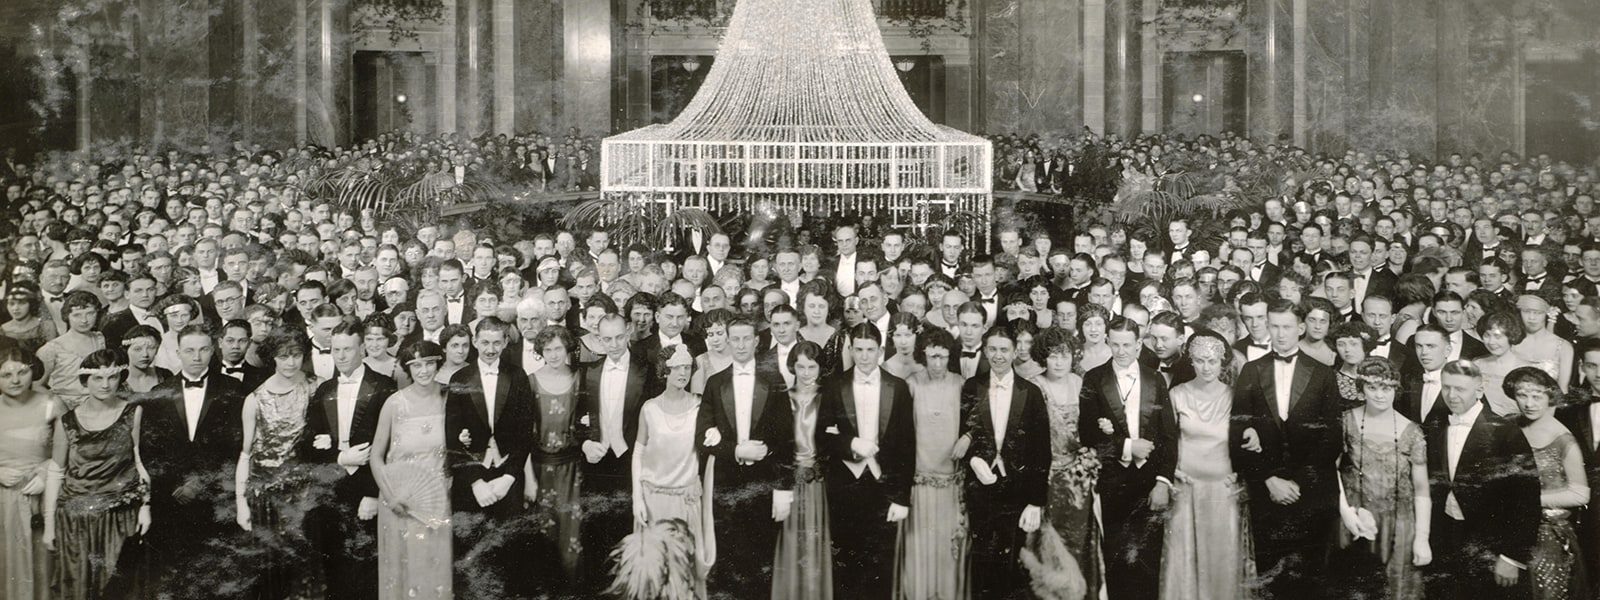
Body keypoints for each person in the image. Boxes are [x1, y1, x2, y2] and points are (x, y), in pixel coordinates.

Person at [1230, 299, 1342, 600]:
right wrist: (1269, 479)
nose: (1280, 334)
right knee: (1271, 578)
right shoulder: (1251, 371)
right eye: (1274, 326)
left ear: (1301, 328)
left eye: (1287, 327)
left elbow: (1332, 438)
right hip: (1267, 492)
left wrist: (1297, 483)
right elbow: (1237, 433)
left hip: (1311, 491)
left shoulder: (1323, 373)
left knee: (1311, 579)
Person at [138, 324, 247, 598]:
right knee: (174, 575)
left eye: (202, 349)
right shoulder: (158, 392)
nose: (196, 357)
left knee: (218, 574)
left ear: (213, 350)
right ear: (178, 353)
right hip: (172, 498)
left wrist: (201, 481)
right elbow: (150, 450)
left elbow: (237, 445)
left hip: (217, 496)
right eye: (189, 350)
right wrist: (177, 484)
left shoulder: (234, 389)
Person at [1423, 359, 1540, 599]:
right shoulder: (1435, 423)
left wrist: (1511, 557)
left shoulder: (1506, 431)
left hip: (1491, 546)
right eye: (1446, 387)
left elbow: (1527, 501)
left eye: (1460, 389)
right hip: (1447, 540)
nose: (1451, 395)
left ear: (1479, 389)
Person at [1079, 316, 1175, 600]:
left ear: (1138, 345)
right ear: (1107, 341)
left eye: (1127, 345)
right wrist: (1125, 447)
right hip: (1113, 482)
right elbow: (1086, 434)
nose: (1121, 351)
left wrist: (1163, 482)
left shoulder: (1155, 378)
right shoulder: (1094, 378)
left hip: (1150, 482)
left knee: (1148, 558)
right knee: (1117, 558)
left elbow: (1169, 436)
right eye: (1115, 344)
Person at [698, 316, 795, 596]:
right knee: (727, 558)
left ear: (756, 341)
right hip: (726, 484)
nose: (740, 345)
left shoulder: (774, 380)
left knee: (763, 558)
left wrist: (783, 490)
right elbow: (701, 435)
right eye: (735, 339)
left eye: (746, 339)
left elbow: (787, 440)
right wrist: (736, 450)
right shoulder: (715, 383)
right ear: (728, 341)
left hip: (763, 484)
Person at [42, 349, 148, 599]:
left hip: (120, 517)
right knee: (78, 588)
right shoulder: (67, 421)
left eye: (112, 377)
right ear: (85, 381)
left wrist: (146, 506)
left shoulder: (134, 412)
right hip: (74, 520)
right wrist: (49, 526)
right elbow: (56, 472)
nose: (106, 384)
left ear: (120, 378)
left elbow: (142, 463)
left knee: (119, 588)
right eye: (97, 378)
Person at [303, 319, 396, 600]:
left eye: (348, 349)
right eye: (336, 350)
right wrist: (340, 455)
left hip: (367, 486)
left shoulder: (383, 387)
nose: (341, 356)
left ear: (363, 348)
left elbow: (393, 446)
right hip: (331, 486)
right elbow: (307, 445)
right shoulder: (324, 390)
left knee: (367, 564)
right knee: (333, 564)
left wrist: (373, 493)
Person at [1160, 330, 1256, 599]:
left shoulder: (1234, 397)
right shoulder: (1176, 394)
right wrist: (1173, 472)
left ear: (1222, 362)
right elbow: (1167, 441)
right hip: (1185, 488)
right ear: (1191, 361)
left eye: (1212, 361)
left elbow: (1246, 441)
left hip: (1222, 490)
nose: (1206, 367)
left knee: (1221, 558)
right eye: (1200, 360)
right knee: (1184, 559)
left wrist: (1241, 474)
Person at [442, 317, 533, 599]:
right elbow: (452, 437)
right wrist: (475, 482)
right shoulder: (460, 378)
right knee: (471, 550)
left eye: (497, 342)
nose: (490, 348)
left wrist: (508, 478)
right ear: (475, 343)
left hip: (507, 475)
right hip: (473, 479)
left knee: (510, 550)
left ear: (505, 342)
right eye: (484, 342)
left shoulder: (517, 376)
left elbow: (524, 432)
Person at [959, 324, 1052, 599]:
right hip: (981, 488)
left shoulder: (1030, 392)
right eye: (993, 349)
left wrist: (1036, 501)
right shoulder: (972, 387)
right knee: (982, 560)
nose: (998, 355)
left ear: (1015, 352)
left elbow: (1041, 449)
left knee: (1013, 564)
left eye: (1004, 349)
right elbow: (964, 433)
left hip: (1018, 490)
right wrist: (975, 460)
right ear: (985, 351)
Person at [1329, 357, 1430, 599]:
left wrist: (1423, 539)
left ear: (1396, 389)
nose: (1380, 395)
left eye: (1386, 388)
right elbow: (1330, 470)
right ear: (1361, 390)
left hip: (1398, 527)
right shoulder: (1346, 421)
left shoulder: (1412, 431)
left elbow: (1422, 490)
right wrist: (1346, 513)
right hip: (1354, 520)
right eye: (1372, 388)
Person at [235, 327, 320, 598]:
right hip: (266, 499)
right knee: (273, 572)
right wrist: (240, 502)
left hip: (305, 495)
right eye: (284, 356)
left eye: (296, 355)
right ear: (273, 357)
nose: (291, 362)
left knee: (305, 570)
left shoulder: (314, 387)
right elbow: (245, 454)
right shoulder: (255, 399)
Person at [1020, 327, 1102, 599]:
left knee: (1077, 542)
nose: (1058, 362)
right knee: (1045, 545)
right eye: (1053, 355)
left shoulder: (1080, 384)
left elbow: (1089, 432)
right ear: (1043, 357)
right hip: (1044, 479)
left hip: (1078, 481)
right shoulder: (1033, 386)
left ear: (1072, 357)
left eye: (1064, 355)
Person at [370, 341, 452, 600]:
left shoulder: (451, 397)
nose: (424, 370)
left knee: (435, 572)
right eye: (416, 365)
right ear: (407, 368)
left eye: (429, 363)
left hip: (437, 501)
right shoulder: (394, 404)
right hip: (398, 503)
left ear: (438, 363)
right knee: (402, 574)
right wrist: (390, 495)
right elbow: (375, 456)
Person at [579, 314, 655, 590]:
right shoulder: (589, 371)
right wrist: (585, 443)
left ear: (629, 333)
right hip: (597, 461)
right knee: (596, 533)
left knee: (629, 533)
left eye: (619, 337)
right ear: (598, 339)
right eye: (606, 339)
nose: (613, 344)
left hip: (631, 461)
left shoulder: (647, 370)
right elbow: (577, 418)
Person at [628, 343, 709, 598]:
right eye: (676, 367)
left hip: (686, 502)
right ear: (664, 371)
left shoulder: (700, 407)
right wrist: (637, 499)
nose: (682, 373)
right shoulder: (650, 408)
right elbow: (638, 453)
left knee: (685, 573)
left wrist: (699, 480)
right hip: (654, 501)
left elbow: (708, 453)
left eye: (687, 367)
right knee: (656, 573)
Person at [896, 328, 969, 599]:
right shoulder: (912, 384)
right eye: (932, 357)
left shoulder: (960, 383)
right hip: (920, 481)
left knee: (948, 547)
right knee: (920, 546)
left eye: (943, 357)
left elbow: (975, 424)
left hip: (952, 482)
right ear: (923, 355)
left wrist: (969, 436)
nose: (937, 364)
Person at [1506, 366, 1591, 599]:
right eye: (1522, 395)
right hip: (1510, 530)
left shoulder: (1563, 439)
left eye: (1537, 396)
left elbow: (1580, 494)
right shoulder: (1510, 426)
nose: (1529, 403)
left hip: (1548, 537)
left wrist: (1532, 500)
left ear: (1549, 397)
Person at [524, 325, 585, 590]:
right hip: (540, 468)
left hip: (573, 469)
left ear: (567, 348)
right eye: (547, 349)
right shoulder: (530, 381)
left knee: (573, 535)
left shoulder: (580, 378)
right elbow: (523, 436)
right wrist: (528, 478)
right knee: (543, 534)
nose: (553, 354)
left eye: (558, 348)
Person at [772, 341, 833, 600]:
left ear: (820, 368)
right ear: (792, 367)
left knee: (815, 544)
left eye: (812, 366)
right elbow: (776, 445)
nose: (806, 372)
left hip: (819, 484)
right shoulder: (781, 398)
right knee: (791, 544)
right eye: (801, 366)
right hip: (790, 482)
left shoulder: (829, 397)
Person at [0, 343, 52, 600]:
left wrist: (45, 474)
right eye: (6, 375)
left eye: (21, 372)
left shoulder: (51, 404)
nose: (15, 380)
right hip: (3, 501)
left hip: (43, 499)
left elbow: (70, 451)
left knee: (43, 566)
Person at [37, 291, 105, 409]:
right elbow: (36, 386)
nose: (84, 320)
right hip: (66, 408)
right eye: (77, 315)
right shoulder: (52, 348)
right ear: (67, 316)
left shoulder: (99, 339)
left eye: (90, 313)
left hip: (99, 404)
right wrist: (58, 404)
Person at [1478, 312, 1537, 417]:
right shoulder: (1477, 365)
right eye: (1487, 335)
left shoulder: (1527, 370)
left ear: (1511, 336)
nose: (1491, 342)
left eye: (1497, 336)